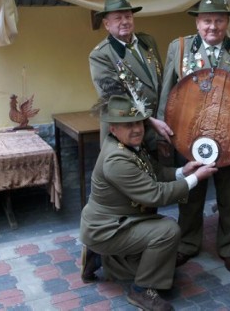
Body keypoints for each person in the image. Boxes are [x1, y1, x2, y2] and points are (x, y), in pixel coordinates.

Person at [156, 0, 230, 273]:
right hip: (188, 138)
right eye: (206, 20)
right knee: (190, 195)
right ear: (197, 23)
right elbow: (166, 94)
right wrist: (163, 135)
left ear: (227, 22)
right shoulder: (179, 49)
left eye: (218, 20)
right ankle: (187, 245)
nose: (212, 27)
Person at [79, 95, 217, 311]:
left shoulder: (129, 145)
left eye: (138, 122)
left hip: (122, 221)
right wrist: (196, 179)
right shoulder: (116, 159)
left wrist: (184, 171)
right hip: (106, 228)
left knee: (165, 268)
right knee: (168, 231)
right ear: (113, 128)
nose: (136, 129)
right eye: (127, 125)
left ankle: (99, 259)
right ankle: (141, 291)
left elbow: (157, 172)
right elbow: (155, 195)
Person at [89, 0, 170, 155]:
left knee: (161, 176)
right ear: (106, 24)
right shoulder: (101, 55)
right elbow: (115, 100)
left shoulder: (147, 41)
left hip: (157, 129)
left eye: (128, 16)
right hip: (126, 134)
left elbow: (159, 83)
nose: (125, 21)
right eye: (118, 18)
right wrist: (150, 121)